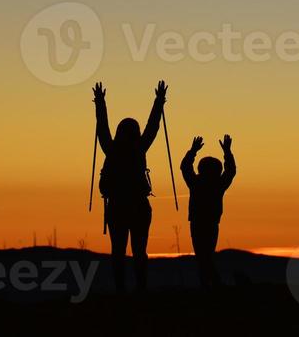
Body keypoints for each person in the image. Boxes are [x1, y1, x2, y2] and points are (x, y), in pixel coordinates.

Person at [93, 80, 165, 293]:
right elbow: (153, 126)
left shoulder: (111, 149)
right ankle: (140, 289)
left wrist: (100, 103)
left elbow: (102, 128)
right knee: (139, 250)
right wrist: (159, 101)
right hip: (139, 207)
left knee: (118, 251)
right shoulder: (139, 148)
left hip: (117, 207)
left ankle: (121, 290)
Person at [180, 134, 236, 289]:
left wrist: (192, 151)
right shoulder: (219, 184)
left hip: (197, 223)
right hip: (211, 223)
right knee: (206, 255)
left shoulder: (196, 183)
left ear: (201, 169)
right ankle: (212, 284)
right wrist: (227, 152)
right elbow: (231, 171)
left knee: (202, 256)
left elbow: (185, 167)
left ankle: (210, 284)